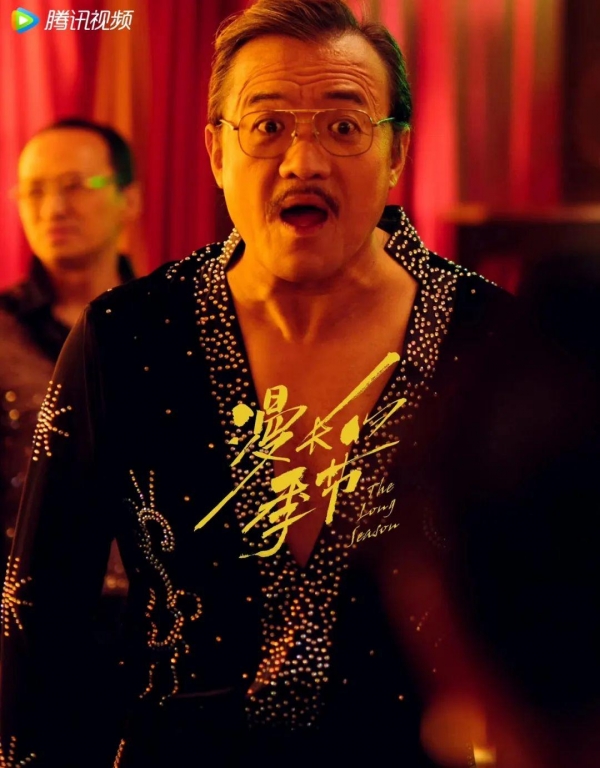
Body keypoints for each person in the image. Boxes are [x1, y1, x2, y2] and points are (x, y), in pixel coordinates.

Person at [2, 2, 598, 767]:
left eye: (344, 126)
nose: (303, 162)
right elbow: (40, 629)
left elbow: (556, 626)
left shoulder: (488, 342)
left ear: (397, 153)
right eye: (268, 126)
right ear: (216, 151)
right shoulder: (126, 338)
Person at [0, 117, 138, 595]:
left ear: (128, 200)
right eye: (34, 191)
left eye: (75, 186)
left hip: (152, 614)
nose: (54, 208)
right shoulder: (5, 331)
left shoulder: (170, 324)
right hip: (25, 606)